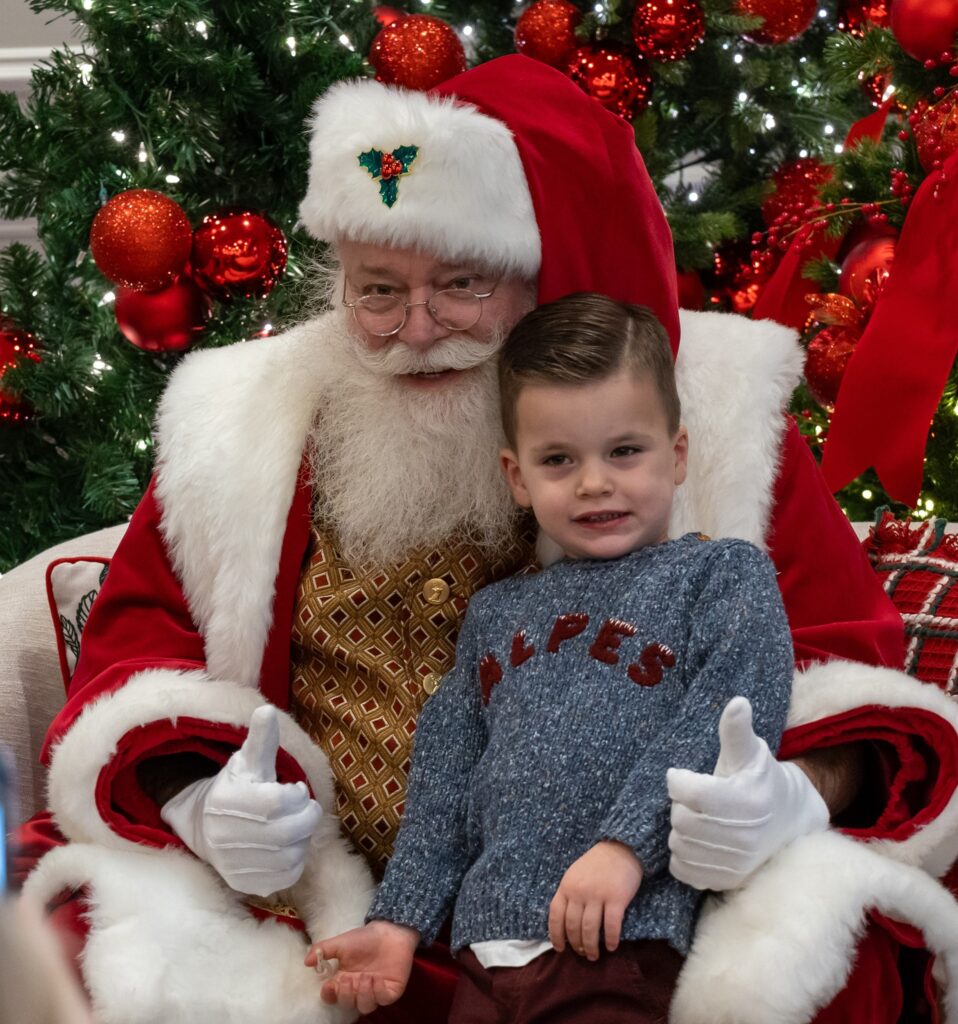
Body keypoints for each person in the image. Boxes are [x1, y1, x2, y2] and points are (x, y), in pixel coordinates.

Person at [15, 54, 958, 1024]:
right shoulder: (238, 424)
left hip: (618, 923)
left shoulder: (701, 415)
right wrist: (205, 805)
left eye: (461, 283)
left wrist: (788, 796)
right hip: (314, 923)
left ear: (543, 276)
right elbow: (136, 659)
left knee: (831, 965)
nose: (418, 329)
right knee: (84, 946)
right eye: (378, 291)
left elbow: (847, 667)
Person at [307, 292, 796, 1022]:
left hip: (620, 938)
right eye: (559, 460)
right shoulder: (494, 613)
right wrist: (398, 921)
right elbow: (444, 779)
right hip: (485, 953)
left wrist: (626, 848)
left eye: (624, 451)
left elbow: (728, 714)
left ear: (677, 454)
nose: (594, 482)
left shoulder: (718, 576)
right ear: (517, 476)